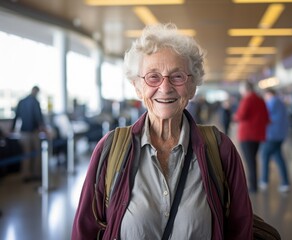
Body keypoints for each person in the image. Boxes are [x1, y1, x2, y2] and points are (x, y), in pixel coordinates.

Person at [72, 23, 253, 239]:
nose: (165, 87)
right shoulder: (110, 150)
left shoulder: (220, 149)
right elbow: (85, 230)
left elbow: (240, 228)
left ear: (193, 86)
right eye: (153, 76)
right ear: (137, 87)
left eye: (177, 76)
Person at [233, 81, 269, 193]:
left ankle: (253, 186)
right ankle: (254, 183)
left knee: (250, 161)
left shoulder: (247, 99)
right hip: (258, 135)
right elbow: (266, 117)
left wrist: (235, 116)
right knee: (253, 160)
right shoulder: (260, 99)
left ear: (245, 89)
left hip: (247, 135)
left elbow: (240, 115)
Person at [11, 86, 46, 182]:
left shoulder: (21, 101)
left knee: (26, 154)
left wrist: (12, 128)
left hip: (23, 131)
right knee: (37, 153)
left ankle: (26, 175)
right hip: (34, 132)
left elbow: (16, 116)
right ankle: (36, 174)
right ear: (36, 91)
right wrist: (43, 129)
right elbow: (39, 117)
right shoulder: (35, 102)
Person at [259, 88, 290, 193]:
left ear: (269, 94)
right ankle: (285, 183)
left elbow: (264, 115)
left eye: (265, 96)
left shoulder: (272, 102)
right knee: (278, 157)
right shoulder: (281, 102)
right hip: (280, 135)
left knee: (264, 155)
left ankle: (264, 181)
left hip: (272, 135)